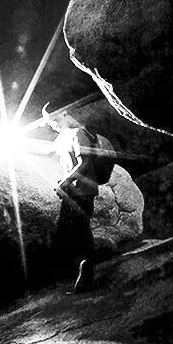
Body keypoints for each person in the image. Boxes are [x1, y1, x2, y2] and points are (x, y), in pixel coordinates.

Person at [47, 109, 117, 291]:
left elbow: (84, 163)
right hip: (72, 191)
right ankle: (83, 272)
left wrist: (64, 182)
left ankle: (87, 274)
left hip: (83, 191)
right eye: (47, 121)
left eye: (52, 118)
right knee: (71, 230)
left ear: (64, 113)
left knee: (80, 231)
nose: (50, 124)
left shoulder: (78, 133)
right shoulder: (63, 137)